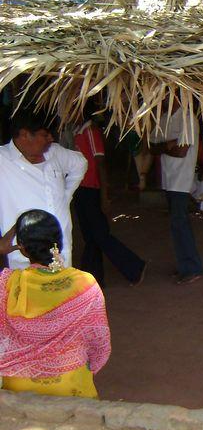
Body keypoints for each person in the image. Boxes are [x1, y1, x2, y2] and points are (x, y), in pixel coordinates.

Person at [0, 210, 110, 398]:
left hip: (18, 388)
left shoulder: (7, 284)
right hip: (72, 385)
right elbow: (100, 343)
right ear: (59, 243)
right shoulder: (85, 283)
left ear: (23, 249)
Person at [0, 109, 87, 270]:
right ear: (25, 134)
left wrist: (66, 196)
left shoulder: (55, 153)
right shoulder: (2, 160)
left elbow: (80, 163)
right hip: (23, 257)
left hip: (61, 253)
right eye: (45, 135)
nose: (51, 139)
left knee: (63, 293)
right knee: (27, 294)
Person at [73, 109, 147, 287]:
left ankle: (134, 266)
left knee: (100, 235)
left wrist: (104, 195)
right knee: (91, 236)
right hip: (81, 188)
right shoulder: (78, 130)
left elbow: (100, 164)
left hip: (92, 188)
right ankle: (93, 278)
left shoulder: (90, 131)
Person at [150, 99, 203, 285]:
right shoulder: (163, 118)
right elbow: (150, 147)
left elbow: (182, 152)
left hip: (181, 179)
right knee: (177, 224)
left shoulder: (188, 118)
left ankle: (192, 267)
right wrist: (168, 145)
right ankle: (186, 264)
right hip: (169, 178)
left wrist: (164, 147)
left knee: (179, 223)